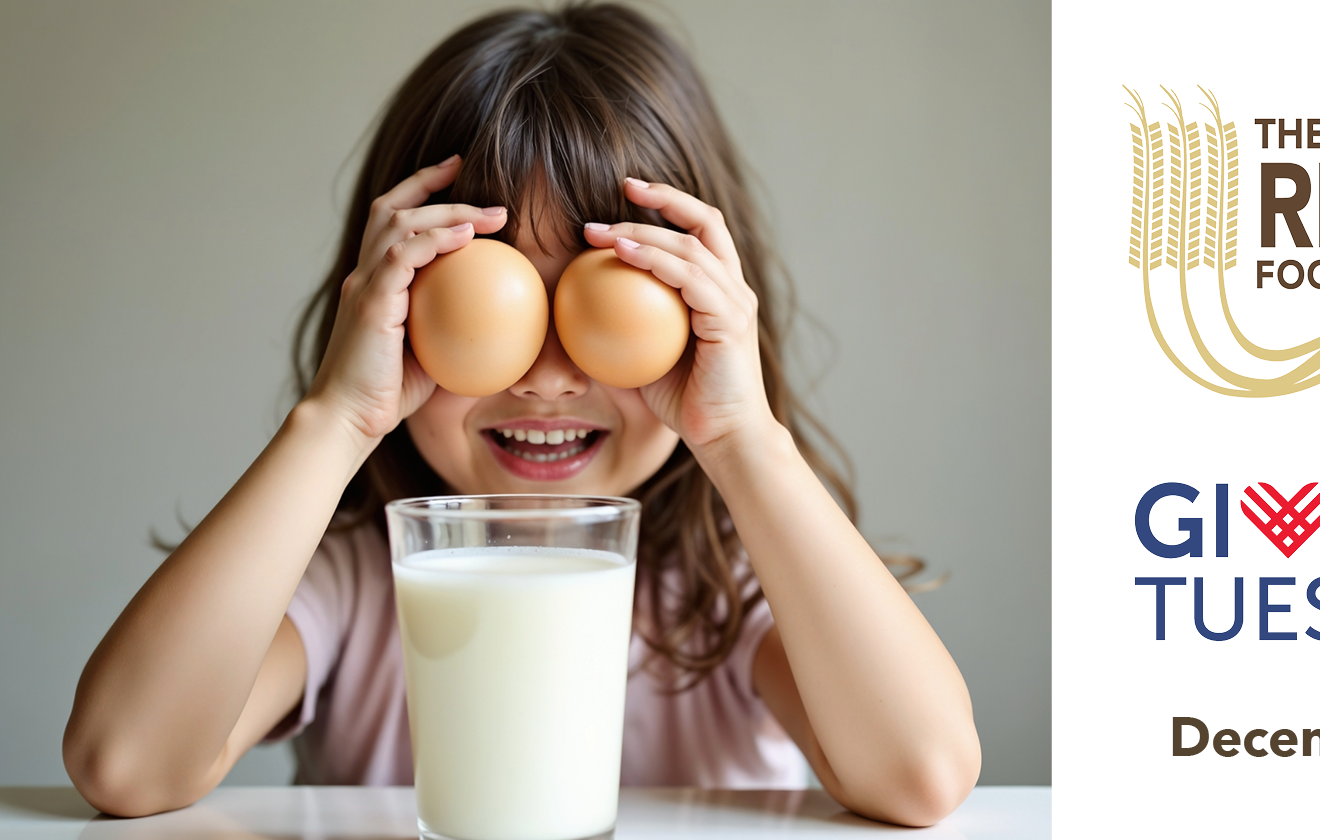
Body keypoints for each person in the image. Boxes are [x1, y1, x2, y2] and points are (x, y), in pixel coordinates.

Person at [61, 2, 980, 827]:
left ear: (706, 322)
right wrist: (338, 416)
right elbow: (126, 763)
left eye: (614, 304)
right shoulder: (359, 585)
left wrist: (745, 440)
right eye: (482, 305)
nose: (545, 378)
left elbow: (922, 776)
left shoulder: (734, 599)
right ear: (388, 312)